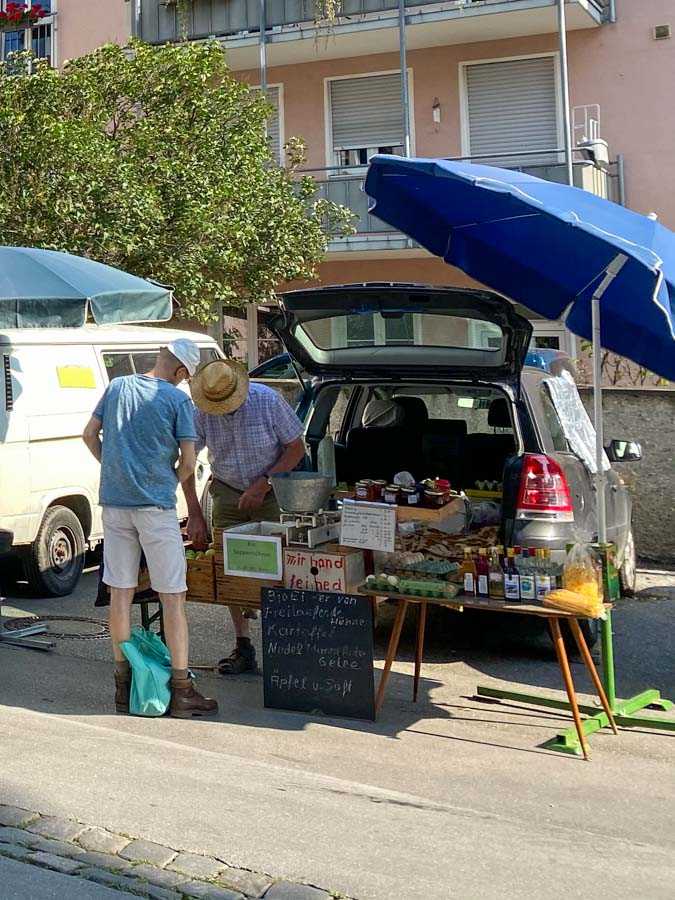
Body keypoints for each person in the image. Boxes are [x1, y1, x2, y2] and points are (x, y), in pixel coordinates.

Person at [82, 339, 218, 719]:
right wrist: (170, 479)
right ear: (180, 372)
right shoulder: (177, 402)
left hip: (114, 504)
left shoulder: (117, 386)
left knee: (121, 594)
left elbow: (89, 434)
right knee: (172, 596)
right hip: (155, 508)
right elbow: (190, 461)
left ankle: (123, 687)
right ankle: (181, 690)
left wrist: (112, 467)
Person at [185, 358, 305, 675]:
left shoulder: (267, 400)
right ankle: (243, 645)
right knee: (230, 568)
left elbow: (296, 448)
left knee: (273, 568)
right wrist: (194, 513)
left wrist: (263, 484)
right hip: (226, 490)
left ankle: (284, 645)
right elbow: (185, 463)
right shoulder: (201, 411)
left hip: (271, 488)